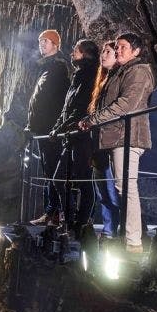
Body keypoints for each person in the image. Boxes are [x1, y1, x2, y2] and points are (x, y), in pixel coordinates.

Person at [79, 33, 155, 252]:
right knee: (121, 188)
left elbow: (126, 104)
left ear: (136, 51)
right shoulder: (119, 73)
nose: (118, 50)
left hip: (128, 137)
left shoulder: (139, 71)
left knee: (126, 187)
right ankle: (127, 236)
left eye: (123, 47)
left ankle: (133, 241)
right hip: (116, 136)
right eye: (117, 47)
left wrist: (92, 120)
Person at [49, 40, 100, 237]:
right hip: (70, 134)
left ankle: (81, 223)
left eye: (75, 51)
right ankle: (70, 220)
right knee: (59, 179)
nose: (71, 53)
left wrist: (62, 127)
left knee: (85, 180)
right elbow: (67, 107)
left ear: (85, 54)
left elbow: (81, 106)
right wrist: (57, 127)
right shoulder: (78, 75)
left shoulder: (90, 75)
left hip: (82, 134)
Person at [24, 29, 70, 225]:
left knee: (53, 170)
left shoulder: (58, 68)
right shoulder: (46, 67)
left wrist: (52, 126)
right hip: (44, 128)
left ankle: (56, 212)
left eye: (47, 41)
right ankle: (51, 211)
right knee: (48, 171)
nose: (42, 44)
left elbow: (52, 100)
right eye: (41, 41)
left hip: (51, 129)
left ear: (55, 45)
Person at [89, 41, 121, 238]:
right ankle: (109, 228)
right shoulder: (103, 80)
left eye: (108, 51)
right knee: (103, 190)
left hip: (111, 140)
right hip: (98, 142)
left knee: (113, 190)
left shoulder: (118, 79)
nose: (103, 54)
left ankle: (117, 229)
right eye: (103, 51)